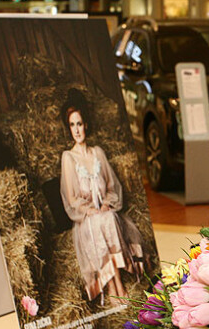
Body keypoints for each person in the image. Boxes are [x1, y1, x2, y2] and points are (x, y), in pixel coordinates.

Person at [60, 93, 145, 305]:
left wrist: (107, 203)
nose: (77, 129)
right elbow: (71, 198)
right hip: (87, 218)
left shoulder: (97, 152)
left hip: (103, 211)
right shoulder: (68, 158)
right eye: (72, 125)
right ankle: (115, 286)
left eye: (79, 123)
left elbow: (111, 185)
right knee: (99, 222)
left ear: (86, 125)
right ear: (69, 129)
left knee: (108, 218)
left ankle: (118, 284)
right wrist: (90, 210)